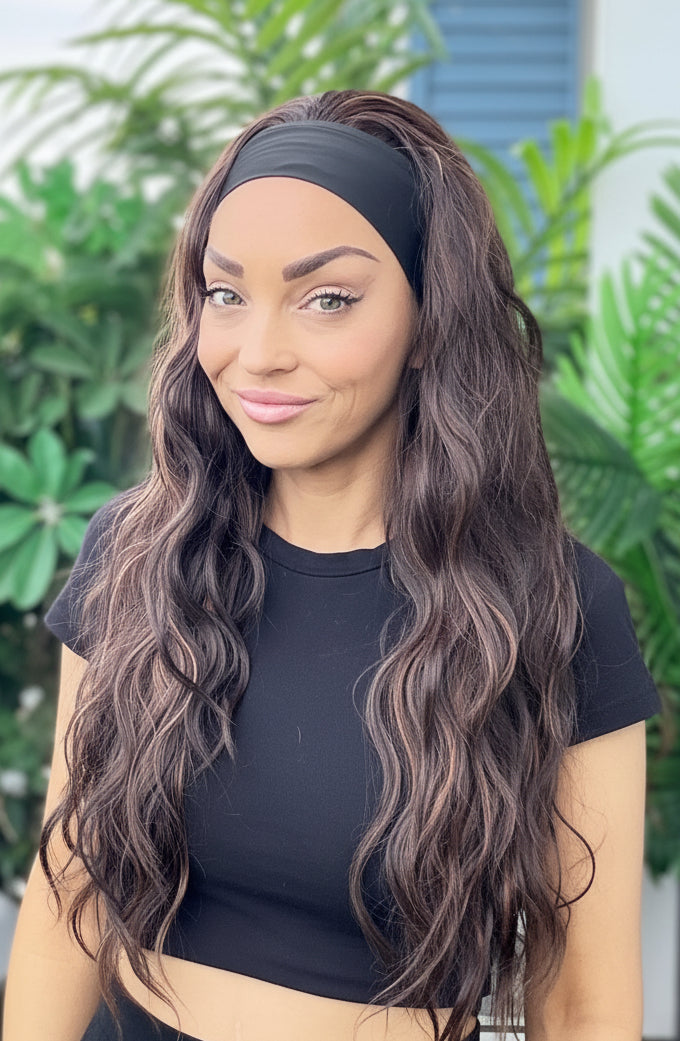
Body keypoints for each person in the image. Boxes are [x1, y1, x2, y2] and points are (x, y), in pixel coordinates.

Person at [3, 89, 663, 1041]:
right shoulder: (133, 555)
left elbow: (585, 1003)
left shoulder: (554, 607)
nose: (257, 353)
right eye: (226, 294)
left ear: (431, 320)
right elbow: (70, 895)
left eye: (327, 299)